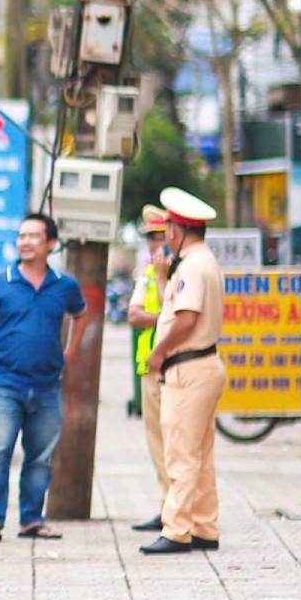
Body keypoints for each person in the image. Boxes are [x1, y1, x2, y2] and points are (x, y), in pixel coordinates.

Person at [0, 212, 87, 543]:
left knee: (40, 455)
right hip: (5, 382)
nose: (25, 242)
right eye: (21, 236)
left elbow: (80, 314)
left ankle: (32, 519)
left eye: (33, 236)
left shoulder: (64, 286)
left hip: (47, 385)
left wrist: (70, 350)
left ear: (50, 244)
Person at [141, 187, 226, 555]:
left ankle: (177, 529)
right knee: (201, 453)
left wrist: (159, 351)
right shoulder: (203, 260)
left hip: (188, 369)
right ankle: (204, 525)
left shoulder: (192, 265)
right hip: (203, 366)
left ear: (176, 231)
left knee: (181, 453)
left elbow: (186, 318)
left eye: (168, 228)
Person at [127, 205, 172, 533]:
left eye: (159, 237)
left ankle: (179, 510)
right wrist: (164, 319)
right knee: (157, 444)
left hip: (178, 368)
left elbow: (184, 314)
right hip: (149, 367)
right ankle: (165, 507)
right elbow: (133, 316)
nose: (154, 245)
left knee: (178, 444)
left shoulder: (181, 270)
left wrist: (162, 278)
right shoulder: (146, 274)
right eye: (150, 239)